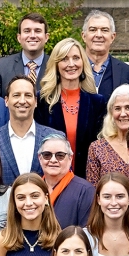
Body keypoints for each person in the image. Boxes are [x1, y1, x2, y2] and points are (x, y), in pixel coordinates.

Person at [35, 38, 107, 178]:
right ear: (56, 64)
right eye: (64, 59)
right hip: (50, 179)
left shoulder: (97, 102)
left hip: (86, 179)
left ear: (83, 62)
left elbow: (100, 148)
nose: (71, 64)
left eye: (76, 58)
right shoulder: (42, 101)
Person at [0, 76, 60, 186]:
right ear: (6, 101)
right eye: (16, 95)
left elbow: (65, 181)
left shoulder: (56, 138)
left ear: (35, 101)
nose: (22, 101)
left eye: (28, 95)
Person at [37, 134, 95, 228]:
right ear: (40, 158)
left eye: (60, 155)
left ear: (70, 158)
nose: (53, 160)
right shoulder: (33, 188)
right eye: (47, 155)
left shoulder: (85, 191)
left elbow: (87, 233)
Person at [0, 13, 50, 96]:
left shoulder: (56, 66)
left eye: (38, 31)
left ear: (46, 37)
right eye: (27, 31)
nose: (32, 35)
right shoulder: (1, 67)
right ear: (19, 37)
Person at [81, 10, 129, 101]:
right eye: (93, 30)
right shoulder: (72, 68)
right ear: (84, 36)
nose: (98, 35)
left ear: (112, 37)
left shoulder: (126, 72)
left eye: (104, 30)